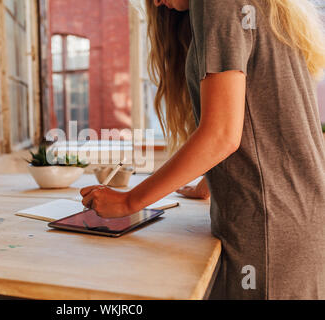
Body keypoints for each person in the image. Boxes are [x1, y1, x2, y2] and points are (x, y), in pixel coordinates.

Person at [81, 0, 325, 299]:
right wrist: (212, 179)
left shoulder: (217, 3)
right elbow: (264, 115)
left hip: (268, 231)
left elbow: (222, 135)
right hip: (297, 223)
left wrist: (129, 202)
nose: (156, 2)